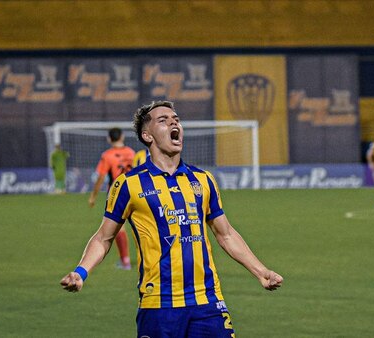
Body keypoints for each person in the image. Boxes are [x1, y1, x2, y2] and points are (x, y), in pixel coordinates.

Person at [60, 100, 283, 337]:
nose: (173, 122)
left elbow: (225, 234)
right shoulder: (129, 184)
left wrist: (261, 271)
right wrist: (81, 272)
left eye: (176, 119)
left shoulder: (203, 180)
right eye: (163, 120)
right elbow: (104, 238)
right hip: (158, 305)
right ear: (147, 135)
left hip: (207, 301)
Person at [88, 127, 135, 270]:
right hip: (135, 191)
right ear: (122, 137)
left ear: (109, 139)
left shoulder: (107, 156)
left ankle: (125, 261)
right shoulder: (132, 153)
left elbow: (101, 177)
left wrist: (93, 196)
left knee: (118, 228)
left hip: (117, 193)